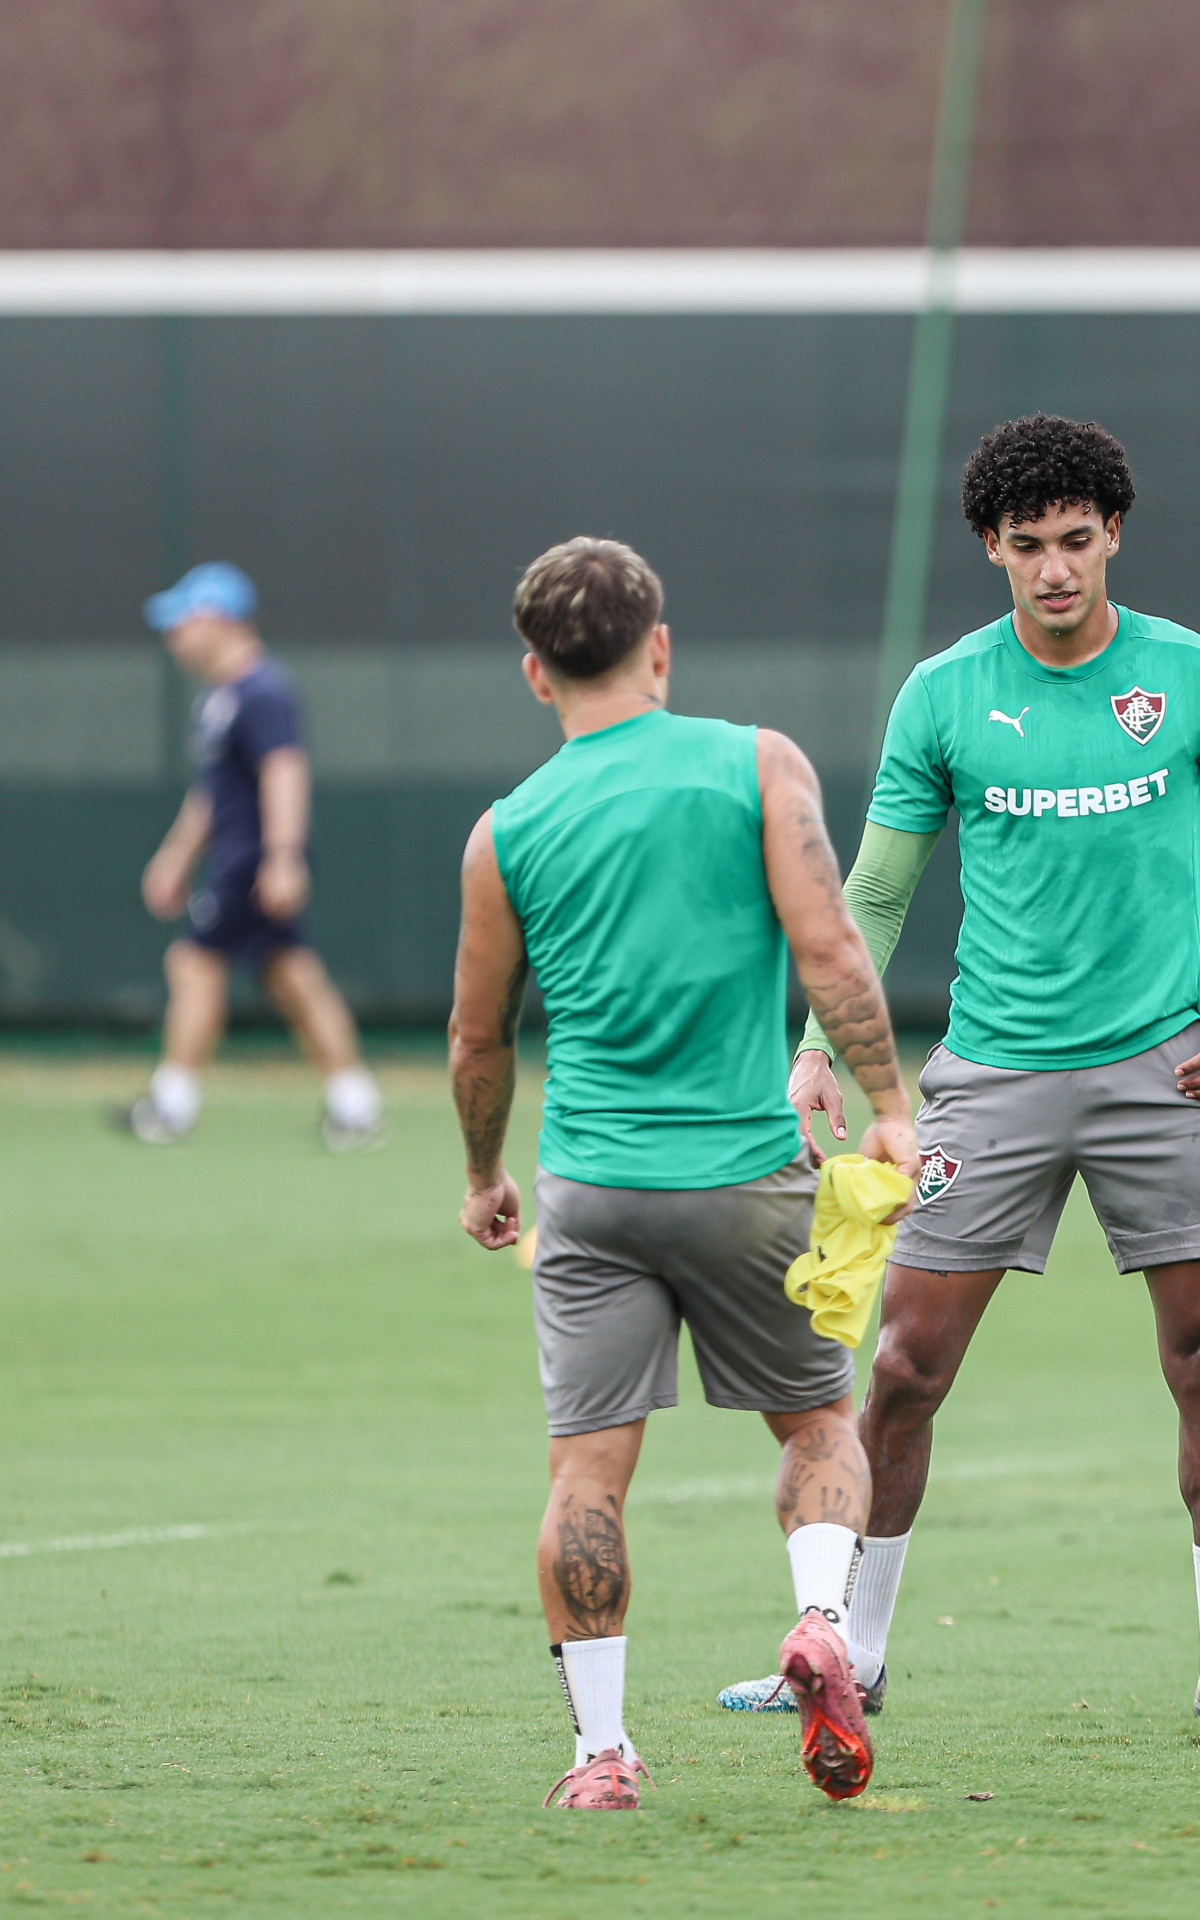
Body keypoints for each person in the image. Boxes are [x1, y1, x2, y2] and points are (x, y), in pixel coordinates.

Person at [719, 412, 1200, 1721]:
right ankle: (852, 1657)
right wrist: (819, 1051)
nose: (1057, 568)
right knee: (902, 1371)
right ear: (993, 545)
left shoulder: (1186, 674)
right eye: (1030, 544)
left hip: (1172, 1071)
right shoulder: (944, 693)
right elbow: (874, 895)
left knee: (1199, 1360)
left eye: (1079, 541)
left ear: (1116, 537)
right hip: (989, 1075)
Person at [448, 536, 918, 1809]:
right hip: (744, 1177)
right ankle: (821, 1616)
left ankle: (602, 1755)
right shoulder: (756, 763)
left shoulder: (507, 832)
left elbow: (479, 1035)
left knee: (585, 1478)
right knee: (820, 1422)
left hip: (591, 1191)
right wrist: (890, 1106)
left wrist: (487, 1174)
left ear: (536, 675)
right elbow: (830, 949)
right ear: (659, 647)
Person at [115, 562, 384, 1151]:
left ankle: (172, 1106)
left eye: (182, 622)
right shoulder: (221, 698)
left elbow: (284, 769)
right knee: (292, 976)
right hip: (243, 859)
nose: (174, 637)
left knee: (194, 965)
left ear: (217, 619)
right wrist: (176, 857)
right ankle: (357, 1106)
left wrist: (283, 856)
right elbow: (213, 793)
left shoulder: (262, 690)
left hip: (254, 862)